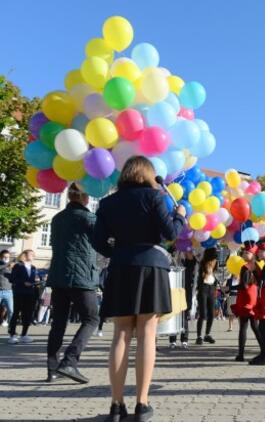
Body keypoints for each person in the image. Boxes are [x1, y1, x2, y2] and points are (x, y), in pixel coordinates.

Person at [93, 156, 186, 422]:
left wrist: (120, 252)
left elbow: (98, 241)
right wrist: (180, 217)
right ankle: (142, 404)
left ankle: (116, 404)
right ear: (148, 173)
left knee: (120, 335)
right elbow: (170, 233)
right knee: (147, 334)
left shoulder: (108, 202)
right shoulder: (155, 197)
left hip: (121, 268)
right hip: (152, 267)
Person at [45, 184, 100, 384]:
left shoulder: (57, 218)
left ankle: (52, 369)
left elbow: (53, 243)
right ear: (85, 198)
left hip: (59, 276)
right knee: (92, 318)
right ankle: (69, 360)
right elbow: (102, 242)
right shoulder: (89, 218)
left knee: (58, 322)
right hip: (81, 277)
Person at [231, 246, 260, 362]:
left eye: (247, 252)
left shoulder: (245, 267)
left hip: (245, 298)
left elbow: (244, 285)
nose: (244, 253)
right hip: (253, 297)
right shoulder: (257, 267)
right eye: (244, 252)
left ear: (253, 255)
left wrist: (230, 287)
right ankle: (264, 350)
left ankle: (241, 354)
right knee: (254, 326)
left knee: (243, 326)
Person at [8, 250, 38, 344]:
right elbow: (12, 278)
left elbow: (32, 279)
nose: (33, 255)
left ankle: (24, 335)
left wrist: (37, 280)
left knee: (28, 314)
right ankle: (12, 335)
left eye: (34, 254)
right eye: (31, 254)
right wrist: (23, 282)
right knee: (16, 312)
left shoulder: (33, 267)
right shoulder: (18, 265)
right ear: (25, 255)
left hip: (30, 293)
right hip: (19, 292)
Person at [169, 251, 198, 348]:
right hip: (173, 291)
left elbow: (190, 257)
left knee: (184, 316)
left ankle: (184, 340)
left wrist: (185, 249)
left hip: (185, 292)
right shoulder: (172, 263)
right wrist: (177, 253)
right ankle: (172, 340)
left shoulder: (189, 263)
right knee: (173, 316)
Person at [195, 249, 218, 345]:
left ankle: (207, 334)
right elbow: (200, 279)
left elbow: (214, 279)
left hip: (211, 289)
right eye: (213, 258)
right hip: (203, 289)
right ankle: (199, 336)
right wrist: (207, 271)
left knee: (211, 314)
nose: (214, 260)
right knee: (203, 314)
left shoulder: (215, 265)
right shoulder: (202, 265)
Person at [1, 250, 14, 329]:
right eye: (4, 257)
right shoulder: (3, 265)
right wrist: (8, 263)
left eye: (8, 257)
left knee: (11, 311)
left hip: (8, 291)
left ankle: (11, 329)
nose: (6, 258)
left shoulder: (11, 267)